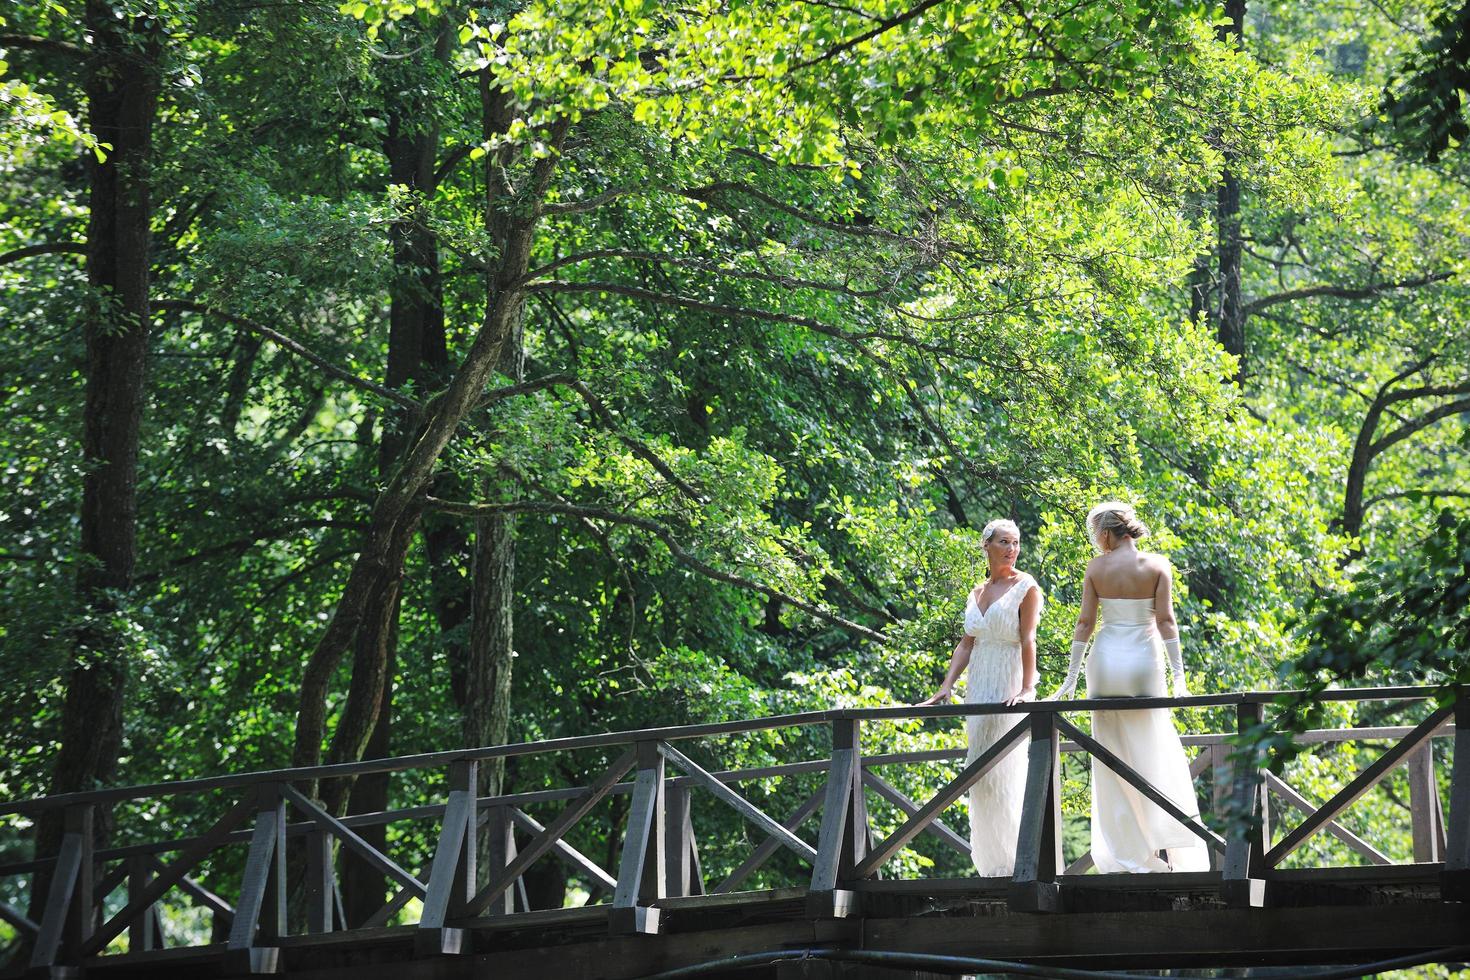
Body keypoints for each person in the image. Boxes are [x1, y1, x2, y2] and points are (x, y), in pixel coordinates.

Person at [1050, 501, 1208, 873]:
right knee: (1153, 751)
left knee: (1111, 760)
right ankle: (1171, 847)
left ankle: (1130, 855)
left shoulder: (1096, 568)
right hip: (1142, 662)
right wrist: (1179, 678)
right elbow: (1167, 622)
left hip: (1104, 664)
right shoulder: (1157, 566)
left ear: (1106, 533)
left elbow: (1085, 624)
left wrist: (1071, 678)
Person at [918, 518, 1042, 877]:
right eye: (1004, 542)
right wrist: (947, 685)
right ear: (986, 545)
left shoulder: (1026, 587)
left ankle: (1022, 861)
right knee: (982, 774)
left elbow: (1028, 638)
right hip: (979, 684)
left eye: (1016, 543)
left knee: (1006, 769)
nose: (1012, 549)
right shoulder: (976, 591)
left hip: (1008, 682)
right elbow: (966, 642)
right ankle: (992, 863)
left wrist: (1028, 688)